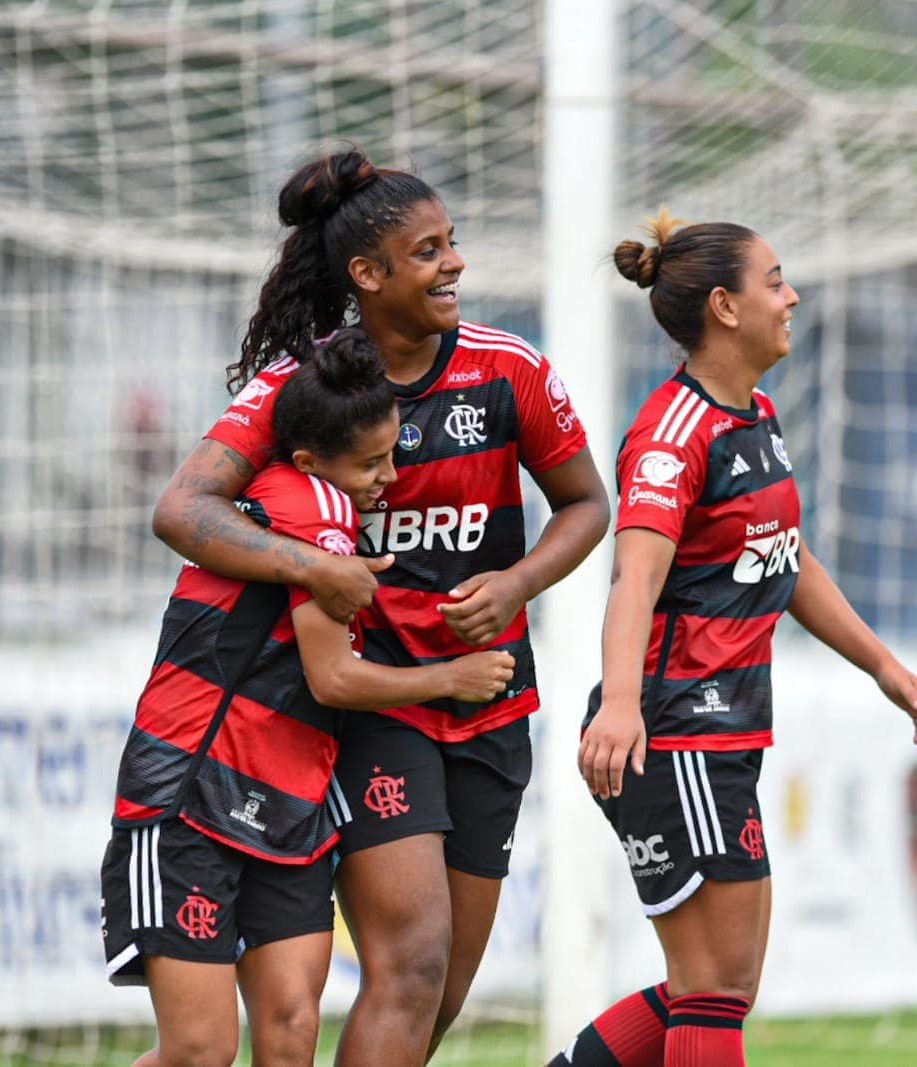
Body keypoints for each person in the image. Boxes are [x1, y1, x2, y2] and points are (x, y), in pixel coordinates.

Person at [151, 149, 610, 1066]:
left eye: (452, 243)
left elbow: (588, 504)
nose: (455, 264)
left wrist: (517, 584)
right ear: (367, 273)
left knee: (435, 994)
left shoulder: (510, 370)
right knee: (410, 964)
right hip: (371, 704)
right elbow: (182, 509)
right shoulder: (307, 387)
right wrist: (314, 570)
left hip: (490, 699)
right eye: (428, 250)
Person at [554, 210, 917, 1067]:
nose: (792, 295)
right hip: (674, 730)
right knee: (715, 987)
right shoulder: (671, 436)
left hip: (722, 732)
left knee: (717, 983)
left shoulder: (755, 414)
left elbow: (785, 555)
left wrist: (882, 665)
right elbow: (633, 581)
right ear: (725, 307)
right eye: (775, 281)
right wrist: (620, 704)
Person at [102, 329, 517, 1067]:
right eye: (372, 463)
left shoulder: (323, 505)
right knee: (199, 1050)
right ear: (309, 460)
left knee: (292, 1033)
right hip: (193, 790)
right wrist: (452, 678)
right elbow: (334, 679)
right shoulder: (314, 510)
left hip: (289, 804)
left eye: (392, 454)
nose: (391, 476)